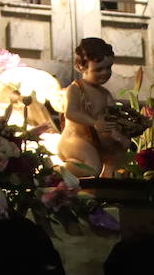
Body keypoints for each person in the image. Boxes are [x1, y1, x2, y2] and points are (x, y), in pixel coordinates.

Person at [57, 37, 133, 178]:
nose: (105, 73)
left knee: (117, 156)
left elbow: (112, 118)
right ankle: (58, 171)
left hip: (97, 140)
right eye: (98, 70)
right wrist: (94, 122)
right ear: (81, 67)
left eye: (108, 68)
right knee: (93, 168)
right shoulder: (76, 89)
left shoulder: (106, 94)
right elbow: (71, 113)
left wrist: (120, 136)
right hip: (75, 139)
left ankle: (107, 182)